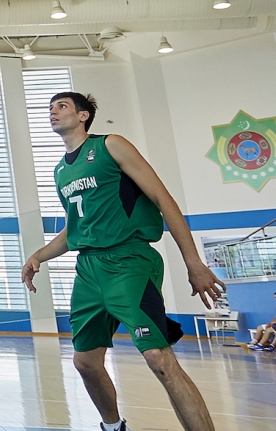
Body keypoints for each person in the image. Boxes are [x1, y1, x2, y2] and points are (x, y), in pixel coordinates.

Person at [23, 93, 225, 431]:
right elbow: (76, 230)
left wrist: (193, 262)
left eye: (61, 106)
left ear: (84, 115)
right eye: (50, 108)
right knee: (85, 363)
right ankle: (114, 427)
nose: (52, 112)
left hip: (129, 260)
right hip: (89, 269)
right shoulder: (60, 171)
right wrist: (38, 256)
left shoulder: (110, 146)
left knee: (158, 358)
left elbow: (163, 198)